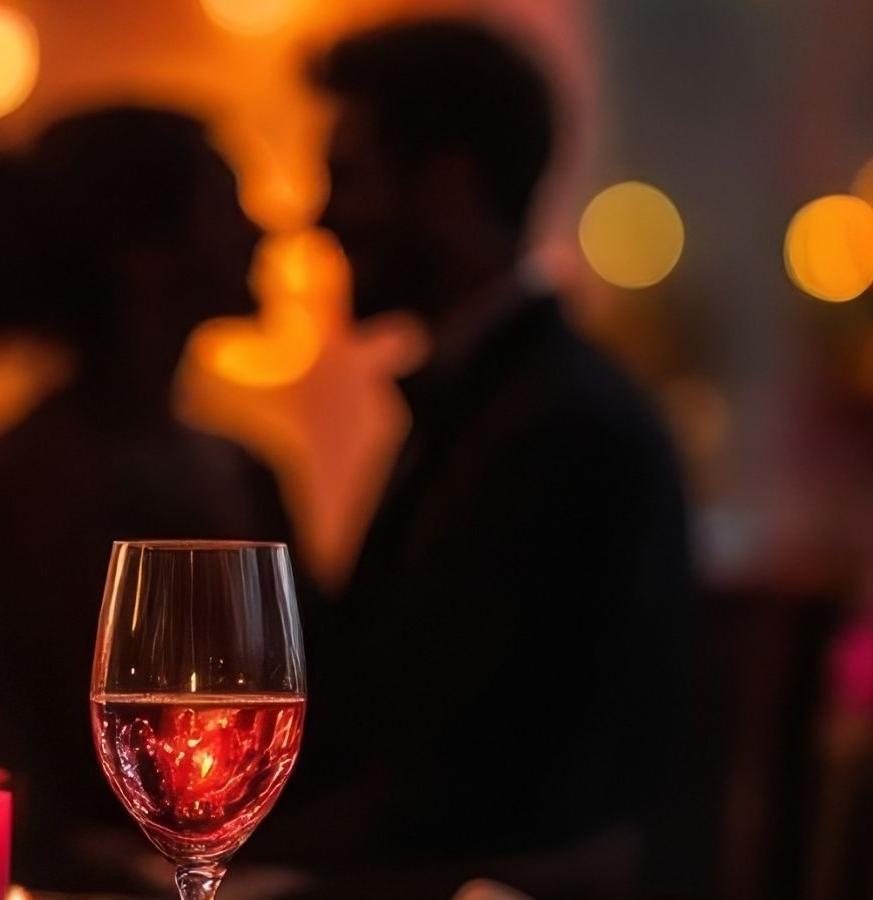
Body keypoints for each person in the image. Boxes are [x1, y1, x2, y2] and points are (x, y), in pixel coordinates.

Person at [275, 18, 696, 899]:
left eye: (346, 179)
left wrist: (228, 856)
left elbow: (478, 783)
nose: (319, 218)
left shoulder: (565, 431)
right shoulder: (517, 402)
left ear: (448, 188)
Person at [0, 106, 297, 892]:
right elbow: (31, 756)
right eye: (226, 201)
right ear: (144, 256)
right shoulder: (38, 476)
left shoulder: (247, 468)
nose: (262, 231)